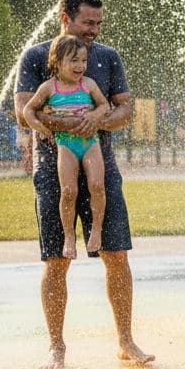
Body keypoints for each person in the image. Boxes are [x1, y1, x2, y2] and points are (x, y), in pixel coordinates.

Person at [15, 0, 153, 369]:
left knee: (117, 254)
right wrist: (67, 123)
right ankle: (56, 347)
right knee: (57, 259)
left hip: (101, 167)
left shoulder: (108, 57)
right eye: (87, 22)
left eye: (98, 23)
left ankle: (125, 341)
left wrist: (98, 119)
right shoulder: (36, 57)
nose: (94, 30)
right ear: (66, 18)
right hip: (53, 170)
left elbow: (125, 109)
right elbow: (23, 111)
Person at [20, 35, 111, 259]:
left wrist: (94, 116)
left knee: (97, 185)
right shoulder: (48, 88)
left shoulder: (88, 84)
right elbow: (27, 111)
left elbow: (104, 106)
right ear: (57, 61)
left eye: (84, 60)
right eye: (74, 60)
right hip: (66, 144)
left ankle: (96, 230)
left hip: (90, 143)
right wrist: (40, 129)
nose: (81, 66)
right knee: (69, 191)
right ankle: (69, 236)